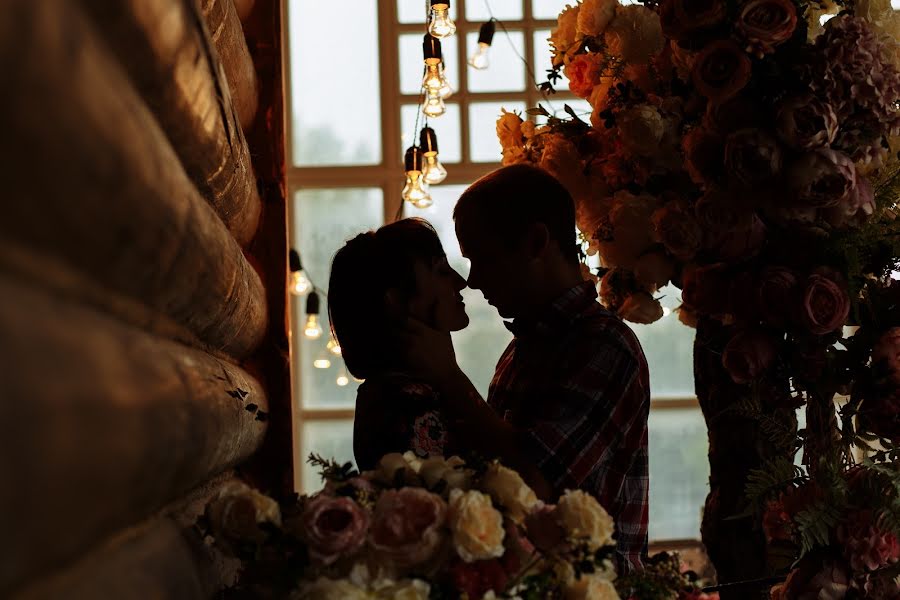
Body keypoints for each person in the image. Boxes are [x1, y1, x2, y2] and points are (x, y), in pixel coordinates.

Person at [402, 164, 650, 571]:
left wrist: (448, 377)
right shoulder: (523, 348)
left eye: (483, 258)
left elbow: (535, 484)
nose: (473, 281)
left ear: (536, 242)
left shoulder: (605, 346)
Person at [327, 218, 470, 472]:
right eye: (441, 270)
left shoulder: (398, 390)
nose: (461, 281)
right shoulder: (407, 403)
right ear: (396, 301)